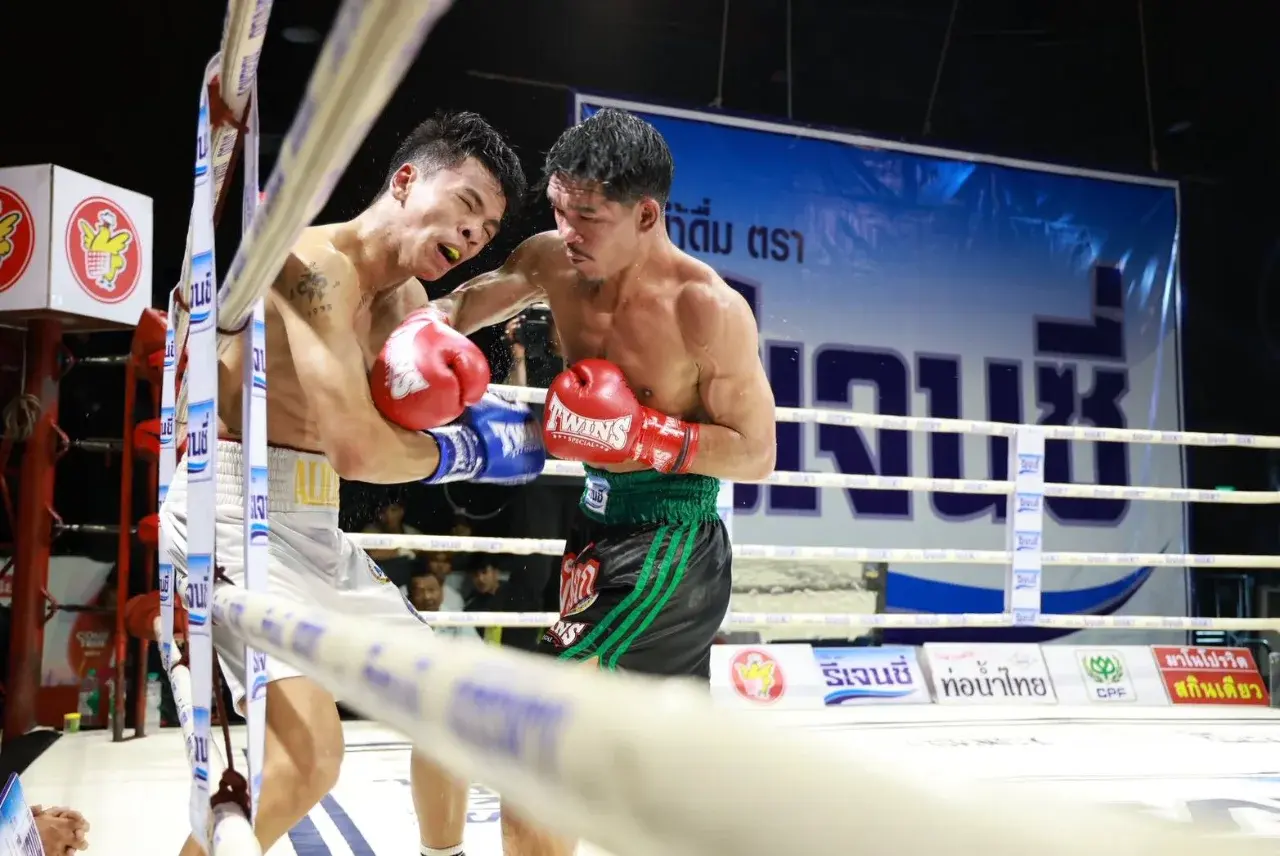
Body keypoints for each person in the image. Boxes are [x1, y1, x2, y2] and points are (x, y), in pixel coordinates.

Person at [132, 111, 545, 856]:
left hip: (317, 525)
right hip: (235, 515)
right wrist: (466, 451)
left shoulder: (406, 305)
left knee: (451, 706)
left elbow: (398, 415)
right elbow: (358, 449)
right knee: (308, 762)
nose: (473, 234)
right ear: (407, 179)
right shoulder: (312, 263)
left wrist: (530, 287)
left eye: (488, 229)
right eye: (467, 205)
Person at [429, 107, 777, 856]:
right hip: (593, 532)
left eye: (587, 216)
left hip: (670, 544)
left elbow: (756, 453)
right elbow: (456, 308)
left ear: (646, 214)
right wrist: (407, 342)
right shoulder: (552, 261)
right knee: (651, 777)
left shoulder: (706, 309)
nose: (568, 230)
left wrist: (646, 434)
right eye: (559, 209)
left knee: (536, 758)